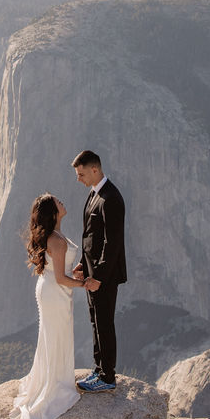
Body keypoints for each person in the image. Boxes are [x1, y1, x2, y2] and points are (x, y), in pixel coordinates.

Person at [10, 193, 86, 419]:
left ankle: (53, 377)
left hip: (51, 289)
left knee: (53, 336)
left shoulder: (55, 235)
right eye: (58, 201)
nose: (63, 202)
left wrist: (73, 274)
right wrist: (84, 283)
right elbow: (62, 280)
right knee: (57, 336)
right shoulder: (55, 238)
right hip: (55, 292)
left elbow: (60, 270)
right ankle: (55, 383)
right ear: (53, 211)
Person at [71, 150, 126, 392]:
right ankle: (99, 367)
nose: (78, 179)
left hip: (104, 276)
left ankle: (107, 377)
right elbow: (91, 237)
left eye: (81, 174)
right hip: (93, 273)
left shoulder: (111, 198)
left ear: (95, 169)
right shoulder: (95, 195)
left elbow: (111, 243)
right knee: (95, 321)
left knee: (104, 322)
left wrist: (99, 278)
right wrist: (84, 263)